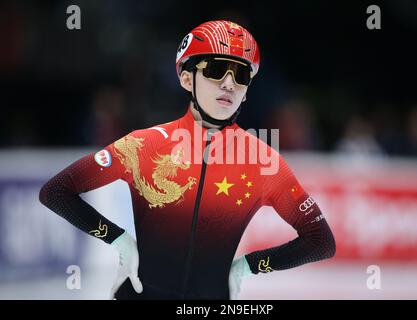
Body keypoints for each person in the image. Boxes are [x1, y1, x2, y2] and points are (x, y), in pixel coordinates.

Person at [39, 20, 336, 300]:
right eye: (217, 70)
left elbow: (320, 242)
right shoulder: (144, 144)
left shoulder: (263, 160)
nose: (229, 84)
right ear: (185, 77)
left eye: (241, 75)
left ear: (247, 92)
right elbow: (57, 192)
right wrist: (117, 238)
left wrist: (251, 264)